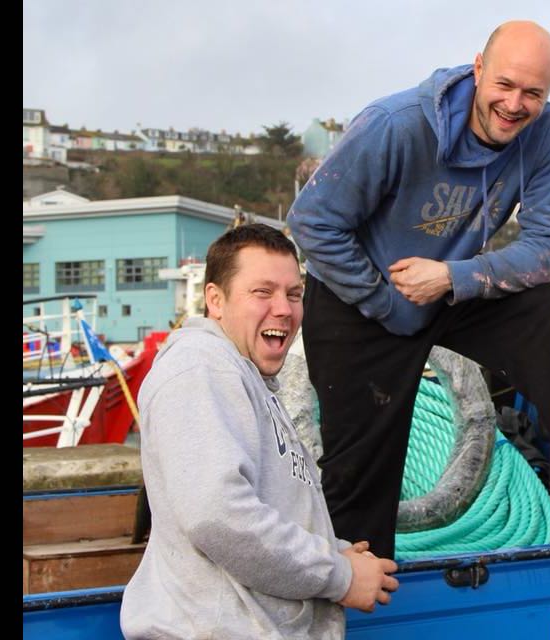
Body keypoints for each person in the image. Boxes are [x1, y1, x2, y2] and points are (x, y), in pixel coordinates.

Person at [287, 20, 550, 558]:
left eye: (533, 93)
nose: (516, 104)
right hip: (360, 298)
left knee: (546, 310)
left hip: (446, 285)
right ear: (478, 69)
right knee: (362, 476)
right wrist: (384, 302)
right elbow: (312, 222)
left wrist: (454, 278)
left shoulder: (544, 135)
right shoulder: (395, 125)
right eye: (505, 85)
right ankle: (352, 581)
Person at [121, 224, 398, 639]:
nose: (284, 309)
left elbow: (264, 504)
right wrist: (340, 576)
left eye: (294, 294)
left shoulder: (245, 377)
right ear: (215, 300)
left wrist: (335, 551)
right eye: (262, 292)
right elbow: (218, 515)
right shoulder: (201, 367)